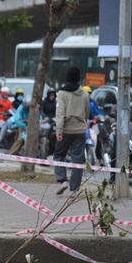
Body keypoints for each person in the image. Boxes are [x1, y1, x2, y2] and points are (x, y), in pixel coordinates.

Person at [53, 66, 89, 196]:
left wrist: (59, 130)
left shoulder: (62, 93)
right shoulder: (84, 93)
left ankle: (62, 181)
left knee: (58, 155)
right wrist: (84, 124)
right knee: (78, 160)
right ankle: (74, 189)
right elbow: (87, 112)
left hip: (66, 129)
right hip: (80, 131)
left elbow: (60, 113)